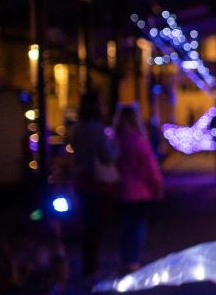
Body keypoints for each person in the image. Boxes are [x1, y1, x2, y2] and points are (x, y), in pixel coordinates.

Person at [70, 92, 118, 276]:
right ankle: (92, 265)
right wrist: (115, 146)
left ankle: (87, 262)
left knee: (87, 222)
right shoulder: (97, 129)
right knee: (96, 224)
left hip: (81, 179)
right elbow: (108, 155)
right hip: (97, 181)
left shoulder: (77, 128)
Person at [113, 104, 163, 274]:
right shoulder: (138, 140)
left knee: (125, 226)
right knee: (138, 226)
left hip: (120, 190)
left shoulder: (116, 141)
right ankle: (134, 260)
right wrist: (157, 186)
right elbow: (150, 167)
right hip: (140, 191)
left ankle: (125, 259)